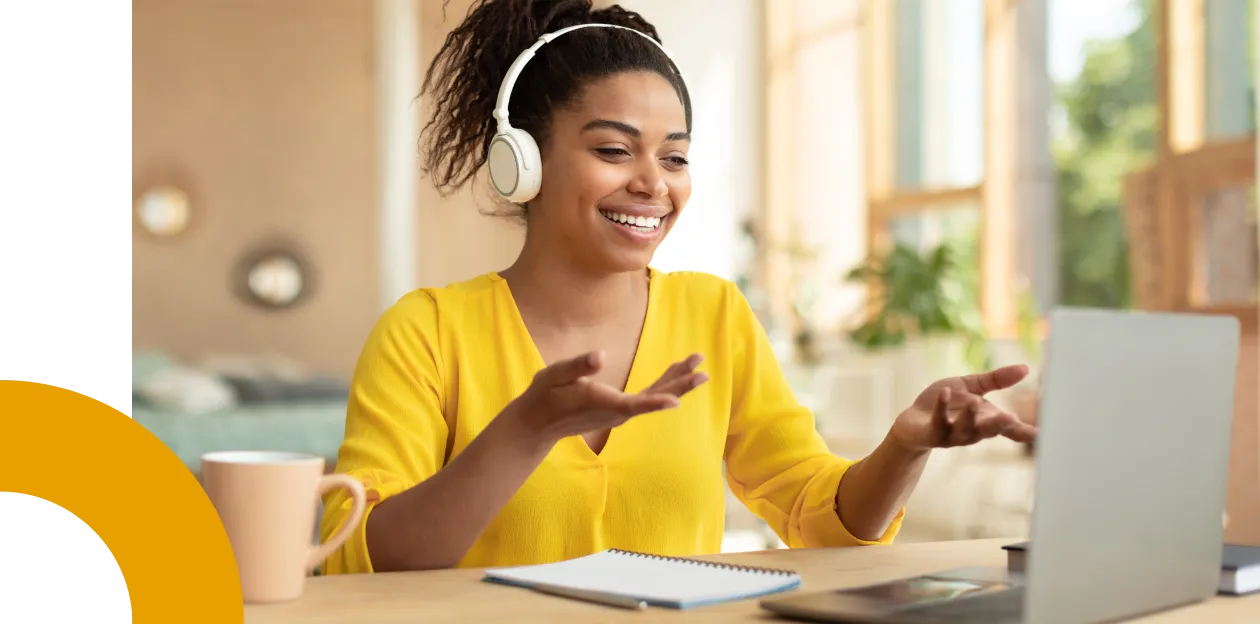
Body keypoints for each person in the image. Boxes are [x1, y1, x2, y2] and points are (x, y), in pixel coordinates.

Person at [318, 0, 1037, 575]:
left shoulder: (713, 313)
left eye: (675, 156)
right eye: (613, 150)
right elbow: (363, 557)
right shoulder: (426, 331)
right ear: (522, 162)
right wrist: (523, 431)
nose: (653, 183)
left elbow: (820, 522)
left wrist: (904, 447)